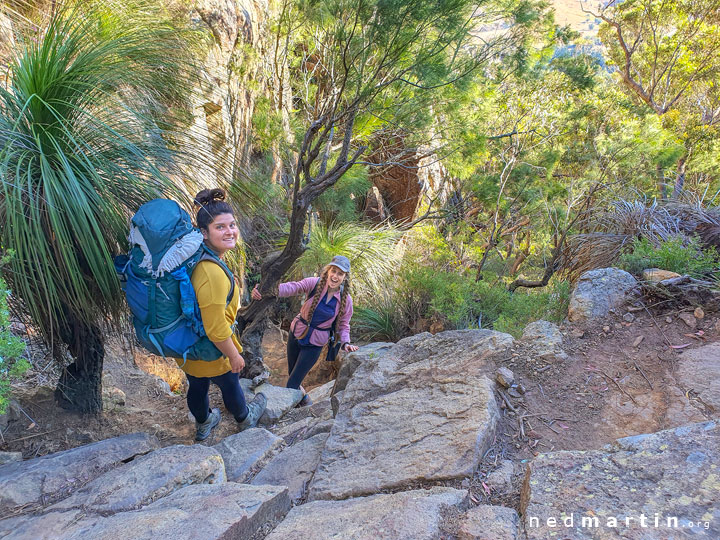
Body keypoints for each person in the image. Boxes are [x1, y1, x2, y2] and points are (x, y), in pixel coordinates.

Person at [179, 188, 266, 441]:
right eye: (220, 227)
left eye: (232, 225)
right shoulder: (211, 272)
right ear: (204, 233)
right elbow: (216, 328)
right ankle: (245, 418)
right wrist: (234, 355)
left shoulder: (198, 257)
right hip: (212, 347)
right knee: (230, 384)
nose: (230, 232)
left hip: (189, 344)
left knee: (197, 385)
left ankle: (204, 423)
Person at [251, 255, 359, 405]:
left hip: (315, 343)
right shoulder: (314, 284)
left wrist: (346, 342)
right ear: (328, 271)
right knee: (292, 373)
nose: (335, 276)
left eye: (340, 274)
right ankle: (305, 400)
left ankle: (291, 412)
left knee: (293, 382)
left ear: (345, 277)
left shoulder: (345, 300)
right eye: (333, 271)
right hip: (296, 333)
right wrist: (265, 291)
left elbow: (344, 324)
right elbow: (292, 287)